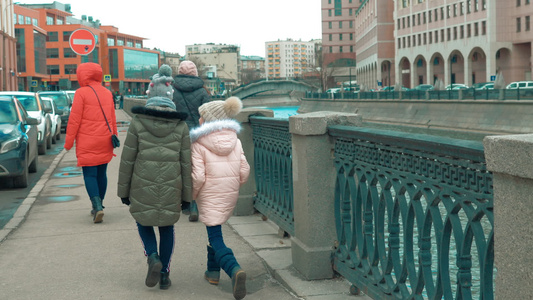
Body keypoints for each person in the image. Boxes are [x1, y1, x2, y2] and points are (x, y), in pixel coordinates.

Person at [117, 64, 192, 290]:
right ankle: (165, 274)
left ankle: (152, 256)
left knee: (143, 221)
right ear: (170, 96)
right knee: (167, 227)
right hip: (172, 186)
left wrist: (123, 191)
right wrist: (188, 197)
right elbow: (186, 164)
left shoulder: (138, 122)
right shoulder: (180, 126)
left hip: (142, 184)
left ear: (150, 94)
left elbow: (127, 159)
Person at [189, 96, 250, 300]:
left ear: (208, 120)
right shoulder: (235, 140)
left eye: (202, 116)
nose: (199, 120)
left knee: (215, 236)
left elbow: (197, 177)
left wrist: (193, 195)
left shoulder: (198, 143)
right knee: (214, 228)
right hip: (229, 192)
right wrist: (232, 185)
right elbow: (244, 170)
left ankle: (234, 269)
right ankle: (212, 272)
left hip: (208, 193)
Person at [64, 62, 117, 223]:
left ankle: (96, 206)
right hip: (105, 140)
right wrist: (114, 135)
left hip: (87, 141)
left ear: (82, 75)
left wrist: (68, 143)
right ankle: (100, 204)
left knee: (90, 174)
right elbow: (112, 118)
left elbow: (74, 120)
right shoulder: (107, 93)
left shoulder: (80, 93)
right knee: (102, 173)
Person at [172, 60, 211, 222]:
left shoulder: (172, 90)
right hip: (198, 134)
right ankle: (195, 204)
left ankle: (185, 204)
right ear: (195, 72)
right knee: (198, 169)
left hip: (177, 134)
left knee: (182, 168)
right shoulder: (203, 92)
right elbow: (208, 116)